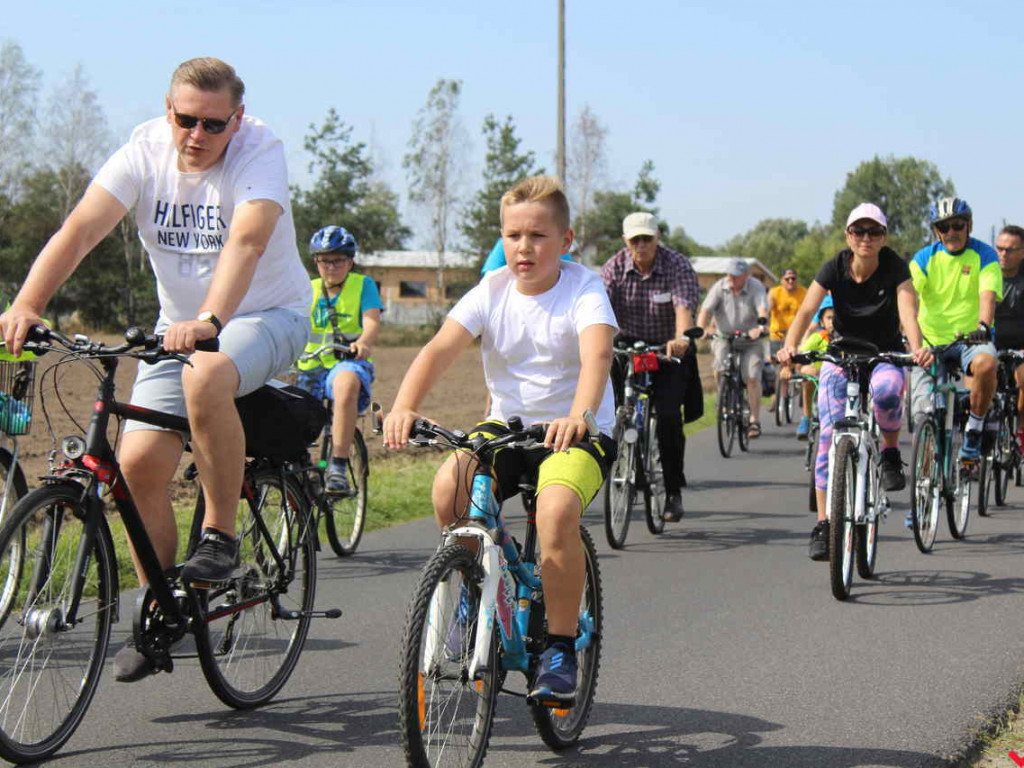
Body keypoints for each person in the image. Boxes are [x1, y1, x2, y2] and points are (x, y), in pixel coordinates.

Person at [0, 57, 311, 680]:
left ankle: (219, 538)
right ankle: (163, 606)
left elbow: (247, 241)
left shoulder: (259, 150)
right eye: (184, 119)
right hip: (181, 328)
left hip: (265, 317)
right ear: (168, 110)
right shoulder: (143, 150)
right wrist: (29, 303)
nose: (197, 135)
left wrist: (212, 321)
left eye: (213, 124)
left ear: (237, 119)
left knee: (206, 374)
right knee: (138, 466)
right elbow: (81, 228)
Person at [383, 175, 617, 705]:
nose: (523, 247)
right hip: (508, 425)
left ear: (566, 239)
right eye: (512, 235)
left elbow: (597, 355)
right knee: (450, 487)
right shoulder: (490, 290)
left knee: (556, 513)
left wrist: (580, 413)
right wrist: (404, 405)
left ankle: (559, 648)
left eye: (537, 236)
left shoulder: (584, 288)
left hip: (576, 430)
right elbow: (441, 348)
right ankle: (471, 581)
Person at [778, 203, 930, 561]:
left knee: (888, 392)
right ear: (848, 236)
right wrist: (790, 347)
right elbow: (804, 310)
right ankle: (824, 522)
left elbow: (908, 311)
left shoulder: (894, 266)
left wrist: (918, 348)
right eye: (858, 232)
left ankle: (890, 453)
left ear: (883, 238)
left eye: (873, 232)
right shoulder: (834, 266)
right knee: (829, 436)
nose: (865, 238)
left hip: (884, 354)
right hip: (842, 355)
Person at [600, 211, 700, 522]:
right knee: (613, 410)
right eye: (635, 240)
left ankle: (672, 492)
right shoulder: (614, 268)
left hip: (666, 350)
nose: (641, 245)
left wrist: (682, 337)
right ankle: (626, 467)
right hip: (627, 349)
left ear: (657, 239)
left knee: (669, 416)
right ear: (625, 242)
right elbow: (598, 306)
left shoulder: (676, 265)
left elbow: (683, 305)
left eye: (647, 239)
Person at [908, 197, 1001, 462]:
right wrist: (909, 333)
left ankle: (974, 428)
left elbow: (988, 295)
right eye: (944, 227)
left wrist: (983, 326)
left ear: (968, 226)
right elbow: (908, 297)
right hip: (930, 342)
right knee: (923, 414)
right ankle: (926, 484)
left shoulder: (985, 255)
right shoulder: (923, 258)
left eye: (957, 225)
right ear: (936, 231)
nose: (951, 233)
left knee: (986, 363)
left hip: (970, 340)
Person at [295, 226, 383, 495]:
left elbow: (371, 321)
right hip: (309, 365)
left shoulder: (362, 285)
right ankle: (298, 469)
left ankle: (337, 467)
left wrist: (363, 343)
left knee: (345, 383)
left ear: (350, 261)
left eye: (338, 260)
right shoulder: (305, 289)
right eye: (324, 260)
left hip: (347, 361)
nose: (331, 266)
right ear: (316, 262)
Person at [696, 257, 768, 439]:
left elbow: (762, 309)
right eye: (729, 275)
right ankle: (724, 400)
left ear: (746, 275)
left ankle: (754, 420)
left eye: (736, 276)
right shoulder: (720, 287)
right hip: (724, 336)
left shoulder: (756, 286)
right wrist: (701, 328)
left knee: (752, 376)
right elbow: (705, 310)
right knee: (720, 364)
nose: (731, 279)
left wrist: (760, 327)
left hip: (750, 339)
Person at [992, 224, 1024, 447]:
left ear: (1022, 252)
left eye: (1010, 250)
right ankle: (974, 445)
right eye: (1000, 248)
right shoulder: (986, 272)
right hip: (989, 343)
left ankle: (1021, 433)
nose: (1003, 254)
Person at [769, 268, 808, 435]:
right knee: (776, 364)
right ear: (782, 280)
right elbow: (768, 307)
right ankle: (778, 393)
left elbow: (806, 312)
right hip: (777, 333)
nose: (791, 282)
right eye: (787, 279)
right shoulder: (775, 292)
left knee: (798, 362)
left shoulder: (803, 292)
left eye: (793, 278)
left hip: (797, 334)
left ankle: (799, 384)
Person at [793, 297, 834, 435]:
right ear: (821, 321)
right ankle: (806, 416)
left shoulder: (847, 338)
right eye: (829, 318)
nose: (833, 322)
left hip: (838, 378)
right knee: (808, 381)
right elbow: (801, 356)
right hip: (818, 376)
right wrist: (803, 368)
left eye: (836, 318)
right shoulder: (818, 337)